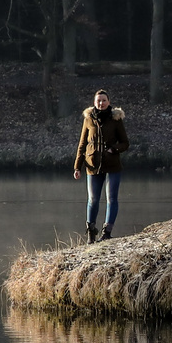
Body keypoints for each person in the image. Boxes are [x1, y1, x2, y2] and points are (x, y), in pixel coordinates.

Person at [74, 89, 129, 244]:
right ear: (94, 102)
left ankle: (107, 232)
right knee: (93, 199)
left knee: (111, 199)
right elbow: (82, 144)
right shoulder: (88, 119)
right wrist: (77, 166)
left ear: (109, 102)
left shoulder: (116, 118)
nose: (101, 103)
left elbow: (125, 143)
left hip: (112, 164)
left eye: (104, 100)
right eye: (98, 100)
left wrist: (114, 149)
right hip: (92, 165)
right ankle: (91, 233)